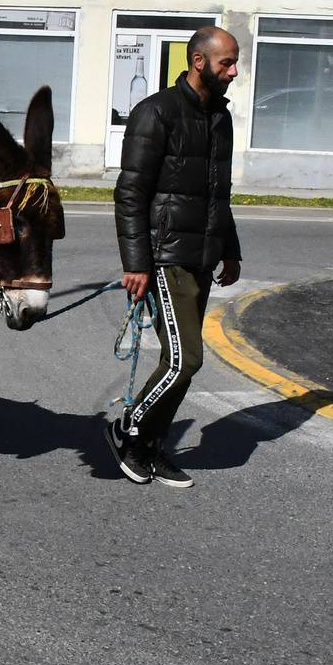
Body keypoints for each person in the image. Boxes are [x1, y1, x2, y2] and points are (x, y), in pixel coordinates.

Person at [107, 25, 244, 490]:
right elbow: (130, 193)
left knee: (179, 359)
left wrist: (231, 249)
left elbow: (216, 194)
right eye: (227, 62)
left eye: (234, 61)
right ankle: (128, 430)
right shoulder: (155, 113)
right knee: (185, 360)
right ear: (199, 61)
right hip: (165, 256)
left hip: (202, 254)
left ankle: (151, 445)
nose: (234, 70)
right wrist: (136, 262)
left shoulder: (220, 117)